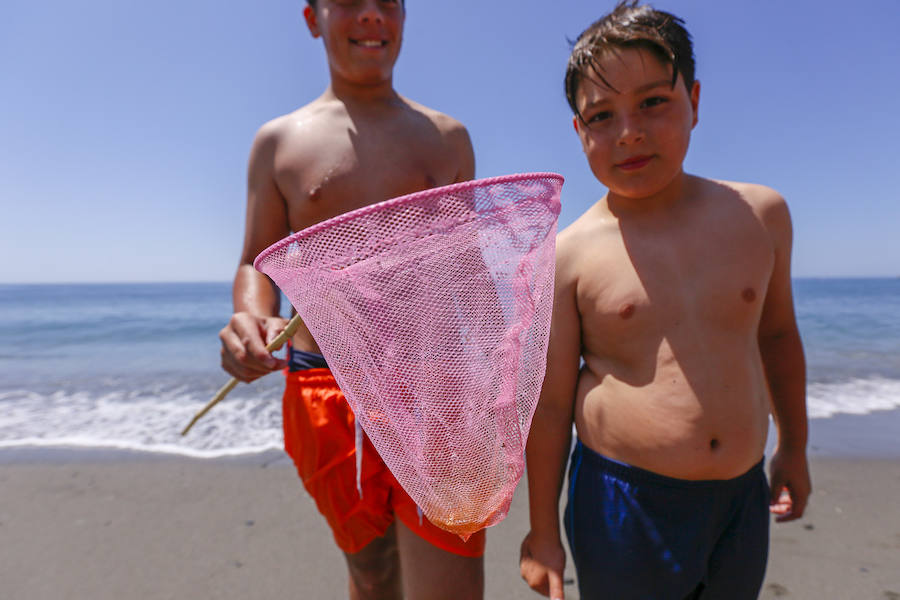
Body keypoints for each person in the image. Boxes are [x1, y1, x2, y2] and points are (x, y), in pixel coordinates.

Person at [518, 2, 811, 599]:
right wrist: (543, 532)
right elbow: (548, 407)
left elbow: (777, 337)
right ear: (579, 132)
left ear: (695, 102)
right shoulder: (568, 256)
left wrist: (795, 448)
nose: (629, 131)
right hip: (625, 504)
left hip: (740, 497)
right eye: (601, 115)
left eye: (654, 102)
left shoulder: (760, 216)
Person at [218, 1, 485, 598]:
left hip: (433, 388)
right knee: (372, 570)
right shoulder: (280, 142)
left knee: (452, 577)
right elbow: (256, 262)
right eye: (350, 1)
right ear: (312, 18)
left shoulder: (447, 139)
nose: (371, 16)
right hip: (323, 387)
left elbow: (468, 281)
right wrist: (252, 318)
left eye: (388, 1)